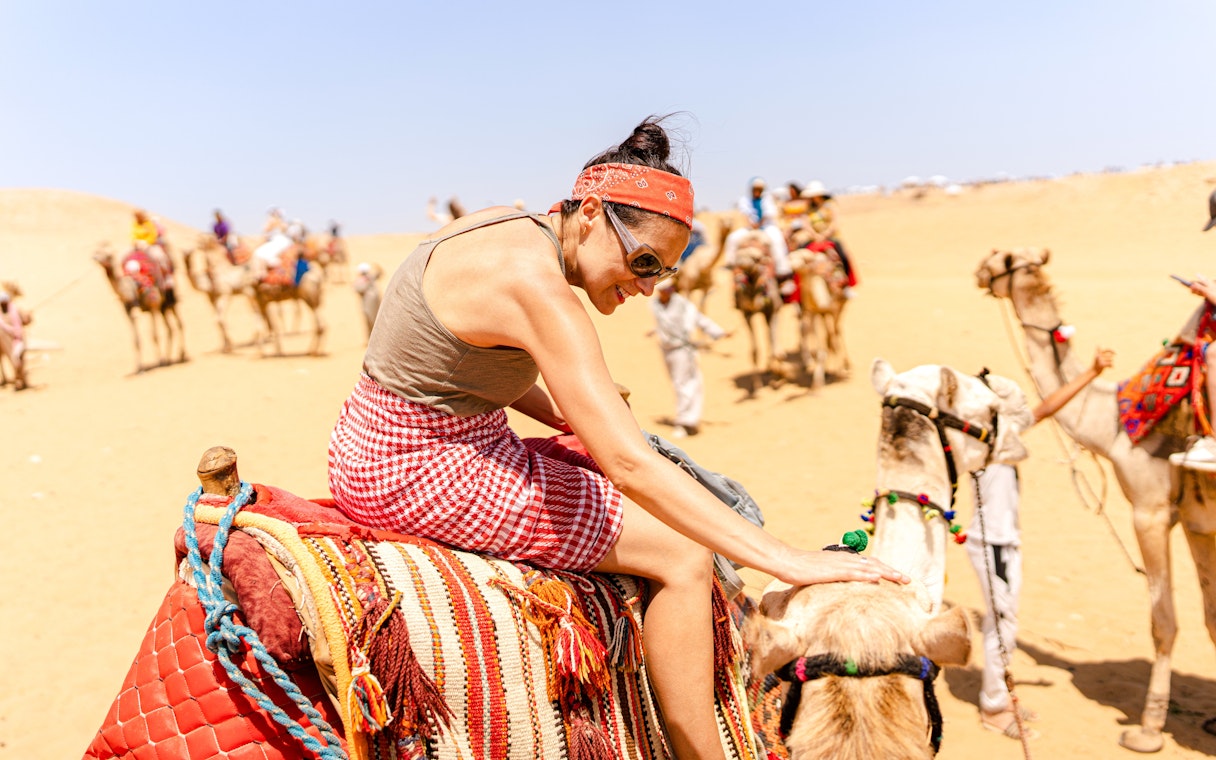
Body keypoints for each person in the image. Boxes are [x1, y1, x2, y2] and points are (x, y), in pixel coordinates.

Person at [326, 117, 907, 760]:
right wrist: (787, 560)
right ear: (593, 213)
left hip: (379, 434)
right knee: (683, 558)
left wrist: (561, 415)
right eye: (644, 262)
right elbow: (628, 464)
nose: (648, 287)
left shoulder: (502, 225)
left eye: (664, 273)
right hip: (419, 466)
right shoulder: (538, 290)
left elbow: (453, 352)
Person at [969, 346, 1115, 739]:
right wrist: (1091, 371)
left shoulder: (1000, 433)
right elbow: (1045, 408)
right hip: (991, 543)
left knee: (1005, 619)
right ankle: (995, 707)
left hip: (1003, 541)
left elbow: (1047, 407)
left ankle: (1001, 696)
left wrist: (1089, 373)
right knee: (1002, 622)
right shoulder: (983, 438)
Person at [648, 278, 730, 438]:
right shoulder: (655, 305)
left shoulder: (682, 304)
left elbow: (699, 319)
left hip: (682, 350)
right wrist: (655, 330)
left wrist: (718, 332)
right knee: (679, 383)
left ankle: (685, 421)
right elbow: (664, 323)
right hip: (666, 350)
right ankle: (689, 418)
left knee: (684, 384)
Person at [722, 177, 794, 297]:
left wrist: (759, 224)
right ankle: (731, 263)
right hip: (750, 228)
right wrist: (751, 224)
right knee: (732, 238)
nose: (757, 191)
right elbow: (745, 214)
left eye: (759, 189)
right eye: (755, 189)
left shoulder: (767, 200)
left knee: (777, 240)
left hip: (766, 227)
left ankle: (783, 271)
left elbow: (768, 214)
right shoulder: (745, 200)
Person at [801, 180, 858, 293]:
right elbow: (806, 224)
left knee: (843, 257)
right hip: (814, 239)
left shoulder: (830, 206)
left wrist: (824, 235)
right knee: (799, 256)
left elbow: (834, 223)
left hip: (830, 238)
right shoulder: (808, 209)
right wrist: (815, 235)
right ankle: (798, 294)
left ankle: (847, 286)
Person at [0, 288, 28, 390]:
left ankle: (21, 380)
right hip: (5, 341)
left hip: (18, 340)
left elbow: (25, 320)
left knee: (19, 361)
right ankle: (18, 380)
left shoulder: (15, 310)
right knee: (14, 361)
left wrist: (27, 318)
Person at [351, 262, 383, 340]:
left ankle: (373, 338)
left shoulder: (362, 280)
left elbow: (357, 289)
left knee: (370, 320)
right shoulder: (370, 277)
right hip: (373, 302)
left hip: (367, 303)